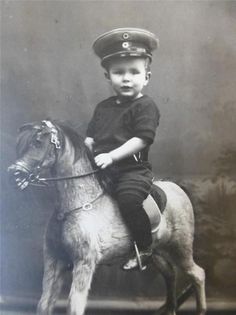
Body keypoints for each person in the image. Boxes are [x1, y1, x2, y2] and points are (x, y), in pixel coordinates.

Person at [84, 28, 160, 270]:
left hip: (131, 171)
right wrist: (88, 144)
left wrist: (111, 155)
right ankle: (81, 247)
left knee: (128, 200)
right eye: (119, 73)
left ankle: (145, 247)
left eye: (134, 72)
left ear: (146, 76)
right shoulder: (103, 107)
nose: (126, 78)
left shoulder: (145, 106)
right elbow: (91, 136)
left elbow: (142, 139)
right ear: (108, 76)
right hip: (102, 168)